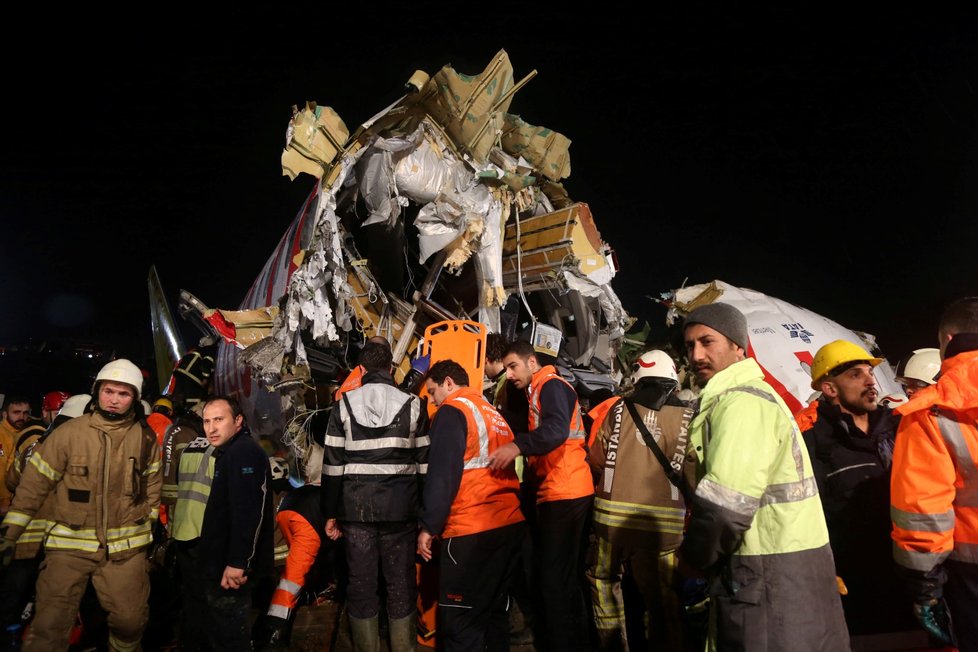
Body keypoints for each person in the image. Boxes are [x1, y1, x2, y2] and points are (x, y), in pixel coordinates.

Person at [678, 302, 849, 651]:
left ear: (738, 346)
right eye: (689, 345)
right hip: (785, 566)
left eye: (707, 342)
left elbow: (725, 506)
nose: (696, 355)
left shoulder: (740, 403)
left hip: (766, 572)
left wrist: (694, 560)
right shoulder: (752, 397)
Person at [0, 359, 161, 652]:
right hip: (68, 548)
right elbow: (33, 488)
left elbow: (152, 486)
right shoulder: (68, 434)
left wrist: (149, 525)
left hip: (125, 551)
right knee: (48, 626)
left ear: (135, 399)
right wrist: (10, 535)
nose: (114, 400)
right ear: (97, 391)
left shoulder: (146, 438)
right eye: (109, 391)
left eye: (123, 394)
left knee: (130, 622)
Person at [487, 339, 594, 652]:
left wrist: (517, 445)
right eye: (505, 368)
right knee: (564, 579)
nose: (508, 374)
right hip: (563, 490)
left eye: (513, 366)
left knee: (554, 582)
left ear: (531, 362)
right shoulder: (538, 390)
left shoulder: (550, 386)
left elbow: (557, 430)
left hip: (565, 491)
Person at [587, 349, 696, 652]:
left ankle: (614, 646)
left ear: (638, 376)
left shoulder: (618, 409)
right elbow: (693, 474)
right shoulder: (688, 416)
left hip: (611, 520)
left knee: (604, 582)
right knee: (664, 596)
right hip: (664, 528)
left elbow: (596, 457)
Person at [803, 339, 914, 636]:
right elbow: (810, 518)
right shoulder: (813, 444)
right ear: (829, 388)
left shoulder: (898, 430)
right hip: (856, 595)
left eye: (870, 372)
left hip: (910, 582)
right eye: (856, 375)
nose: (870, 381)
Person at [321, 341, 427, 652]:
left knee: (362, 584)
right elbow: (424, 466)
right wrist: (425, 515)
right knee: (401, 585)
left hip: (357, 513)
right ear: (391, 370)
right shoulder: (414, 404)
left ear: (362, 371)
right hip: (401, 512)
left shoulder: (342, 406)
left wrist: (330, 512)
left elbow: (332, 466)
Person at [417, 359, 525, 651]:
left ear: (449, 383)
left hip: (470, 530)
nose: (432, 401)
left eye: (432, 392)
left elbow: (442, 475)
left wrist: (429, 526)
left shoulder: (453, 411)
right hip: (508, 525)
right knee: (494, 617)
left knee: (460, 624)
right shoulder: (493, 413)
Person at [891, 296, 978, 650]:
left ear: (947, 338)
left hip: (970, 572)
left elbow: (923, 514)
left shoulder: (932, 411)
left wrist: (925, 590)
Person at [197, 395, 275, 650]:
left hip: (229, 569)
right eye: (207, 421)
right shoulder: (230, 452)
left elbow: (248, 511)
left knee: (230, 638)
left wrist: (238, 562)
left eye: (219, 419)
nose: (211, 428)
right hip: (222, 563)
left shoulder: (243, 452)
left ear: (238, 420)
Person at [254, 456, 328, 650]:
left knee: (297, 569)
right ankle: (272, 636)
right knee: (291, 581)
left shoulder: (312, 484)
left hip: (287, 509)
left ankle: (302, 597)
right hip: (307, 518)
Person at [161, 396, 213, 651]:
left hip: (183, 527)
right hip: (203, 532)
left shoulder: (183, 435)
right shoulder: (214, 445)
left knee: (191, 594)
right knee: (205, 597)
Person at [0, 395, 33, 515]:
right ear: (4, 414)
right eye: (16, 412)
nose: (21, 417)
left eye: (25, 413)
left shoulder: (21, 433)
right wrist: (4, 501)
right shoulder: (2, 434)